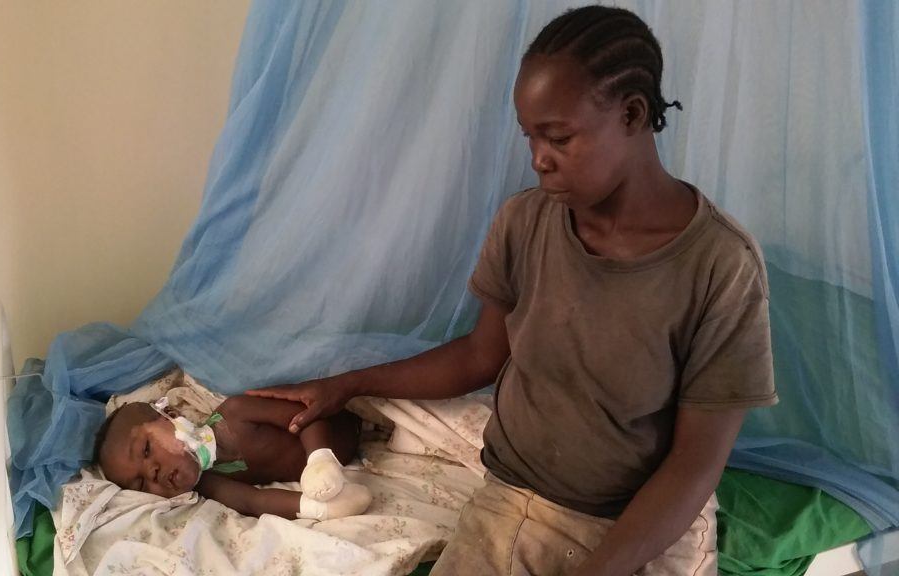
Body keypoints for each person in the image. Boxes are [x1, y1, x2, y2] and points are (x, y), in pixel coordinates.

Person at [248, 5, 777, 575]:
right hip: (517, 501)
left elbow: (694, 466)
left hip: (640, 528)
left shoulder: (720, 265)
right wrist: (348, 385)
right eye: (530, 138)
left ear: (632, 114)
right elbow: (480, 355)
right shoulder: (526, 223)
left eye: (558, 138)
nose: (537, 160)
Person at [94, 393, 372, 522]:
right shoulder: (210, 483)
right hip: (343, 459)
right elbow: (254, 501)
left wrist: (319, 459)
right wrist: (318, 509)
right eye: (141, 484)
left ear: (173, 418)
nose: (152, 472)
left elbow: (309, 416)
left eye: (146, 450)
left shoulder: (236, 413)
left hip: (344, 426)